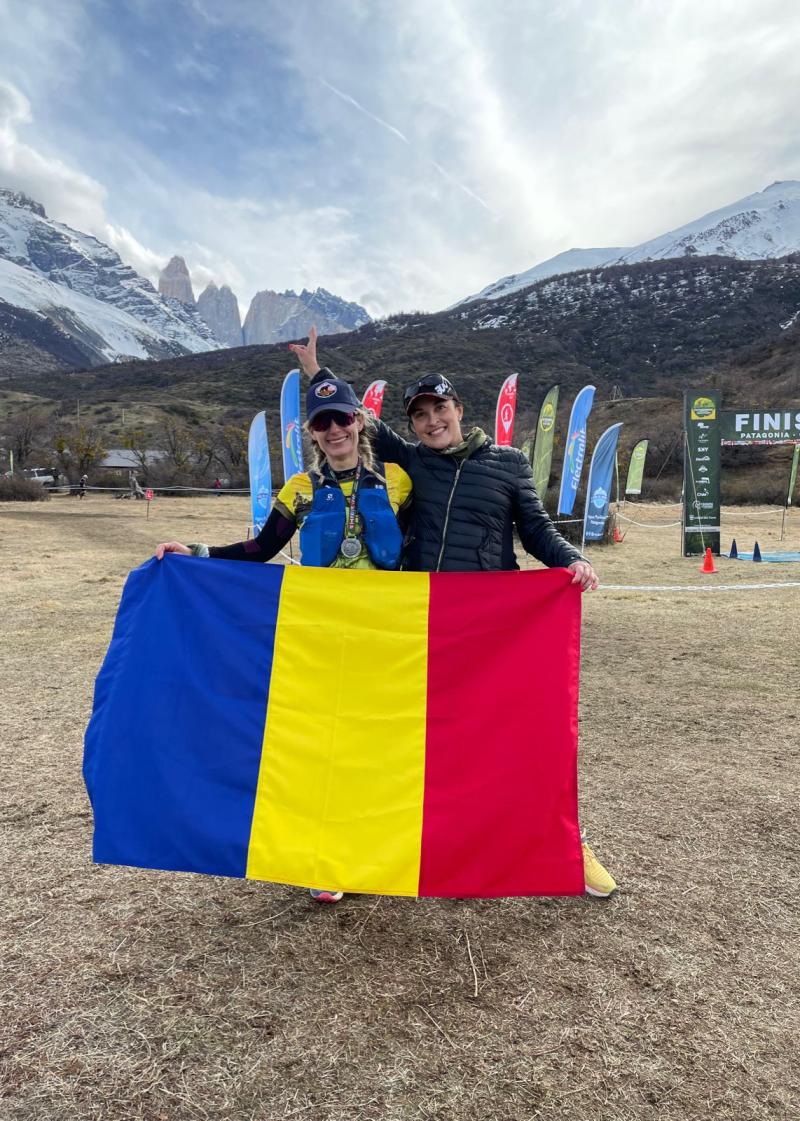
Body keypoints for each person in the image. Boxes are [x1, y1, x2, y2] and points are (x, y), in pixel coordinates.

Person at [289, 328, 617, 898]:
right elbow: (348, 419)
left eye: (439, 408)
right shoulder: (411, 459)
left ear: (459, 409)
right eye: (420, 414)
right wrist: (317, 370)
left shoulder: (510, 463)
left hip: (493, 624)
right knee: (393, 738)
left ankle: (567, 847)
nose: (431, 420)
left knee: (519, 739)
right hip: (420, 619)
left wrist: (571, 559)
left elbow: (535, 528)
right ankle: (346, 853)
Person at [155, 374, 413, 903]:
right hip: (321, 633)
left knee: (376, 742)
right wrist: (199, 553)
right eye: (323, 422)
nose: (334, 428)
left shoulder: (399, 479)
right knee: (325, 744)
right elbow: (261, 549)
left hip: (383, 633)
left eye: (343, 417)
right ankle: (327, 857)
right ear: (313, 435)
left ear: (359, 422)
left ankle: (376, 847)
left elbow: (434, 543)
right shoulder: (300, 488)